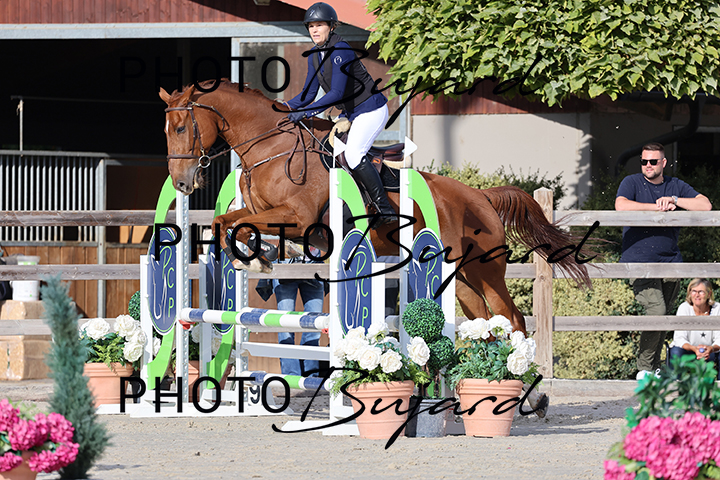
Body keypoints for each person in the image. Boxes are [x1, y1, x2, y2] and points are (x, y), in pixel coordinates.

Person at [284, 2, 395, 228]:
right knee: (329, 153)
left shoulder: (341, 49)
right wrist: (281, 107)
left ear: (331, 27)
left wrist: (306, 112)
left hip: (371, 109)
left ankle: (385, 208)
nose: (314, 30)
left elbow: (335, 93)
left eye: (319, 25)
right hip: (352, 113)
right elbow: (308, 94)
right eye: (311, 26)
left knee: (353, 154)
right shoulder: (314, 55)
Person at [615, 142, 712, 380]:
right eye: (644, 161)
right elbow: (621, 205)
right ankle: (644, 369)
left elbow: (705, 205)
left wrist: (674, 200)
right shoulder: (631, 182)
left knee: (665, 315)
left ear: (663, 162)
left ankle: (654, 368)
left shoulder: (674, 185)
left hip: (671, 261)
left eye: (653, 161)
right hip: (639, 261)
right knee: (657, 311)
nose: (648, 165)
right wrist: (657, 207)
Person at [256, 250, 326, 377]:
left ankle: (310, 377)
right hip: (286, 265)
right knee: (285, 328)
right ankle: (291, 377)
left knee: (314, 328)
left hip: (314, 265)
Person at [669, 278, 720, 369]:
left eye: (701, 292)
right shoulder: (684, 308)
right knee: (676, 352)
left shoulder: (717, 308)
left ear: (709, 294)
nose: (697, 295)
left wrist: (710, 349)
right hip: (688, 351)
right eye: (694, 291)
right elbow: (679, 338)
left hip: (711, 352)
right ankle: (675, 378)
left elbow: (719, 338)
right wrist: (694, 349)